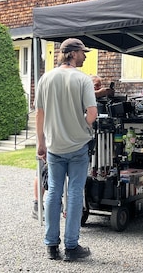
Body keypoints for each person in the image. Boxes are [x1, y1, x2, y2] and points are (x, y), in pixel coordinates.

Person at [35, 38, 97, 261]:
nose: (85, 56)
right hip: (79, 145)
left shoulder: (45, 78)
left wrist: (40, 142)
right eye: (82, 52)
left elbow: (39, 114)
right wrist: (81, 122)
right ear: (71, 53)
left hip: (54, 146)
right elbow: (92, 115)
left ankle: (51, 245)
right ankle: (71, 247)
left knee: (53, 192)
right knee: (74, 193)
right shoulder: (83, 80)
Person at [32, 74, 115, 219]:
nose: (97, 87)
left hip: (69, 141)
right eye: (94, 84)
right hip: (54, 138)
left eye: (99, 85)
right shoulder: (73, 90)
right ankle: (37, 204)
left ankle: (64, 207)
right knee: (45, 174)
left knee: (66, 179)